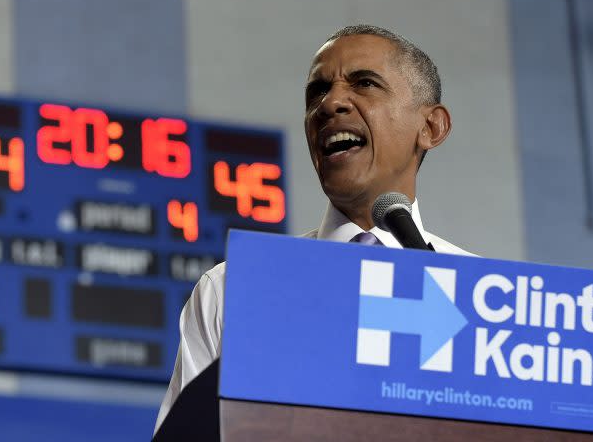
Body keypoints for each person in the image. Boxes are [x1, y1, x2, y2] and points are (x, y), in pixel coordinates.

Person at [153, 24, 474, 434]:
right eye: (317, 92)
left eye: (364, 84)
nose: (331, 103)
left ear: (430, 127)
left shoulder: (481, 296)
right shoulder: (234, 288)